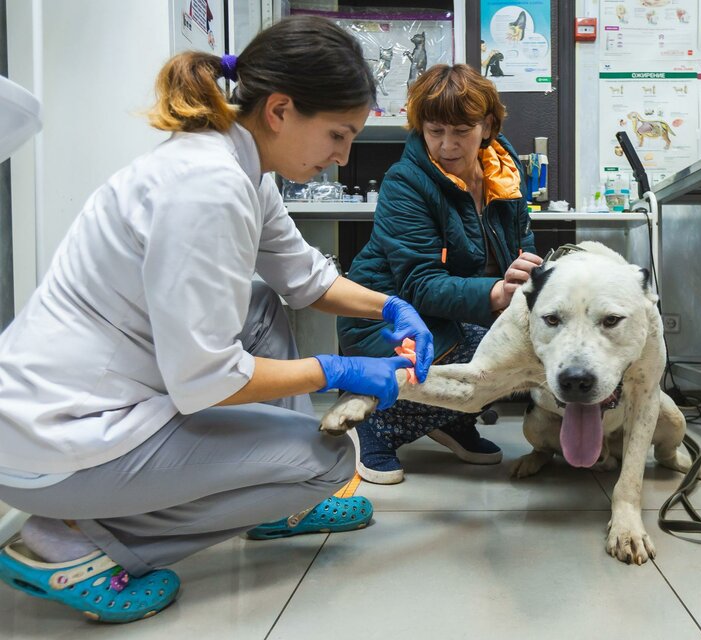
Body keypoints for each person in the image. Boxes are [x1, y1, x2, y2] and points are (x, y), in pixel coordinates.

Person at [0, 16, 434, 623]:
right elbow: (207, 382)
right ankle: (69, 544)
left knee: (259, 304)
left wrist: (389, 306)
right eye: (338, 134)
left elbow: (302, 277)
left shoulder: (238, 163)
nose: (343, 157)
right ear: (281, 110)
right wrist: (337, 368)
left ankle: (281, 503)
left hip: (63, 407)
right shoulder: (207, 188)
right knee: (330, 461)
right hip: (58, 444)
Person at [338, 64, 543, 485]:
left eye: (461, 131)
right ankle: (375, 420)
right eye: (434, 131)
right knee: (495, 349)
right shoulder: (405, 182)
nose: (446, 145)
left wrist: (528, 273)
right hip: (386, 322)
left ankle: (449, 418)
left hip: (456, 316)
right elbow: (419, 285)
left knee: (536, 339)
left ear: (486, 126)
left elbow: (524, 244)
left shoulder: (505, 174)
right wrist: (499, 294)